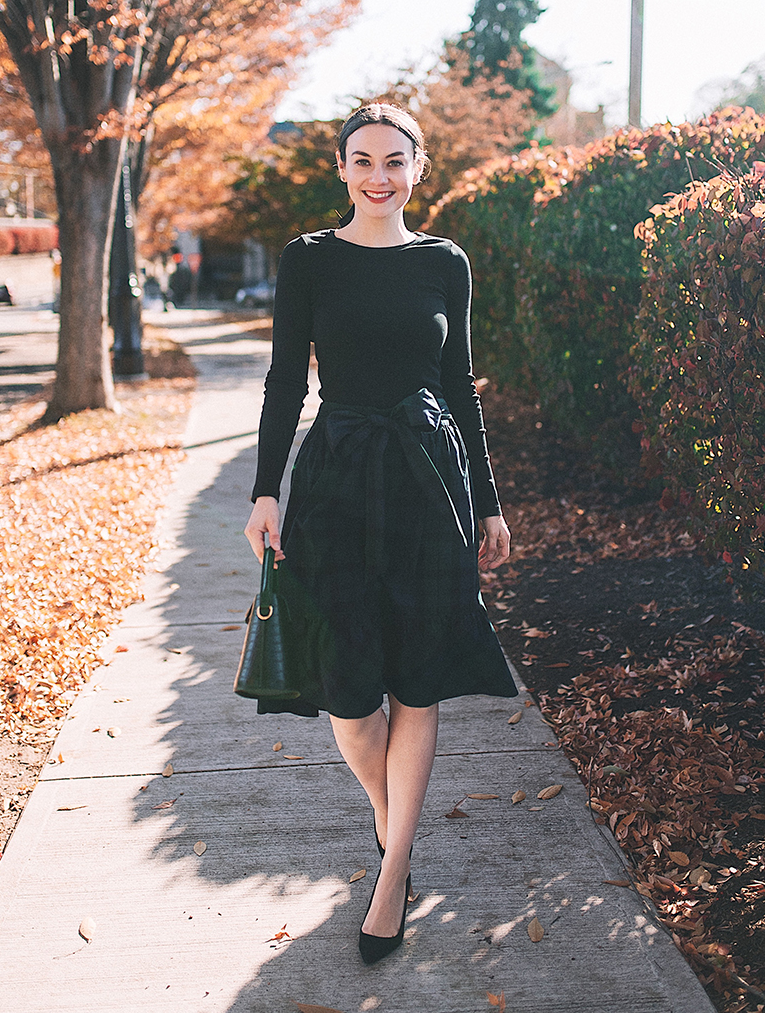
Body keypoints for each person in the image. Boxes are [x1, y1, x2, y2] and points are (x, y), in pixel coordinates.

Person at [244, 102, 517, 965]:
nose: (378, 175)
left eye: (394, 161)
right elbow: (286, 380)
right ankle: (387, 814)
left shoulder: (446, 262)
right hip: (336, 479)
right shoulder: (309, 261)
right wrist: (264, 494)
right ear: (342, 167)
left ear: (417, 168)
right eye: (363, 159)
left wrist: (490, 501)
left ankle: (392, 871)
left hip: (428, 484)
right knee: (353, 697)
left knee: (417, 681)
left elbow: (460, 387)